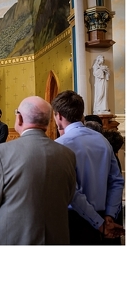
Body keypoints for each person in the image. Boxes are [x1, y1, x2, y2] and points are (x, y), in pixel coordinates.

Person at [0, 96, 76, 244]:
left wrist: (2, 224)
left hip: (12, 236)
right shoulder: (67, 154)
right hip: (56, 237)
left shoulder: (1, 152)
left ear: (19, 119)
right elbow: (69, 195)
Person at [52, 90, 124, 245]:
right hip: (103, 216)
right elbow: (117, 182)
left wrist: (99, 223)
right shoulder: (102, 141)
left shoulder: (60, 146)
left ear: (58, 116)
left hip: (73, 221)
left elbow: (72, 192)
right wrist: (109, 216)